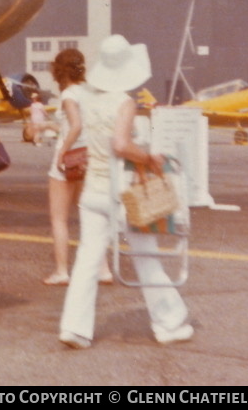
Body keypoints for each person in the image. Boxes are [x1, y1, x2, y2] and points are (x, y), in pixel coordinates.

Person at [58, 35, 193, 349]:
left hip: (92, 189)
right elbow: (120, 145)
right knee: (146, 255)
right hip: (121, 192)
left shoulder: (87, 97)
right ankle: (169, 323)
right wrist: (148, 157)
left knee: (87, 259)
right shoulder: (124, 102)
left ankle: (74, 327)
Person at [35, 48, 106, 287]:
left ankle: (62, 271)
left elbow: (74, 126)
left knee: (59, 219)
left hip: (68, 160)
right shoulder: (90, 92)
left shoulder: (68, 95)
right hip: (89, 156)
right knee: (89, 215)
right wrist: (50, 126)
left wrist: (63, 151)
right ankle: (103, 269)